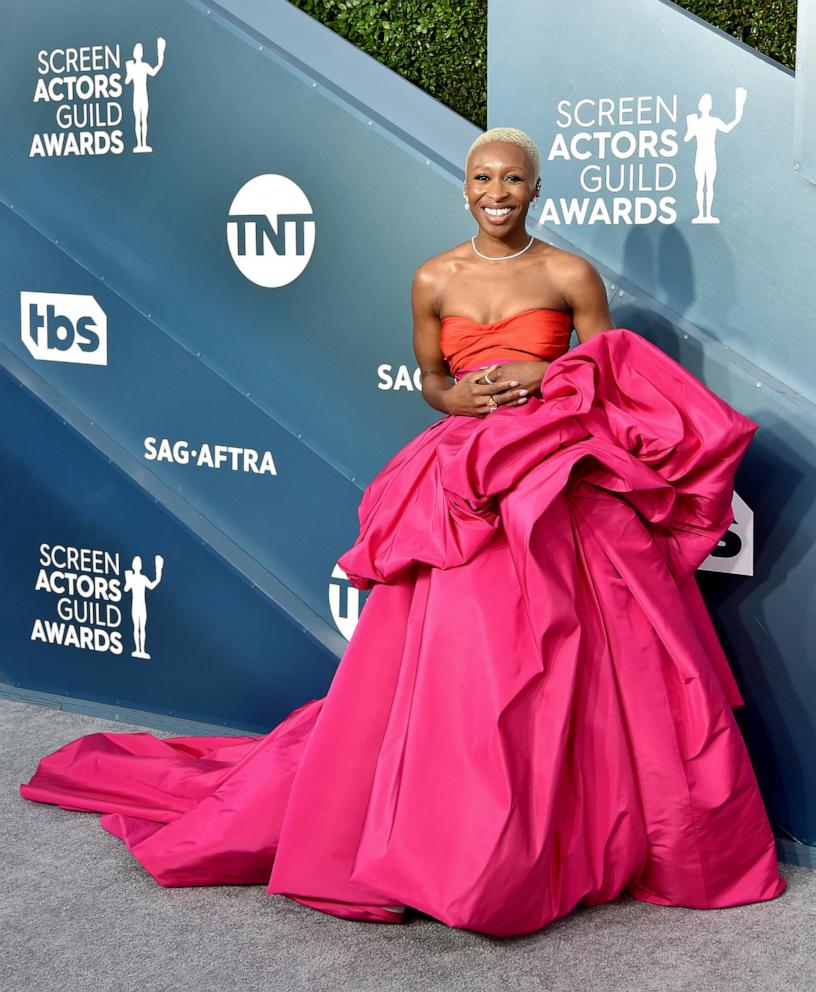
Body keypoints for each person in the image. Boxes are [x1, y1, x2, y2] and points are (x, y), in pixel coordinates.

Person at [19, 127, 786, 938]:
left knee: (598, 659)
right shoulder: (433, 278)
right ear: (465, 189)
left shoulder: (569, 274)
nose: (498, 192)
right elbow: (431, 379)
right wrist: (456, 402)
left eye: (514, 180)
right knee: (469, 662)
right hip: (462, 480)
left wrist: (545, 375)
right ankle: (454, 834)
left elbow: (616, 382)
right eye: (483, 178)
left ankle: (590, 829)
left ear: (535, 188)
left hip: (560, 473)